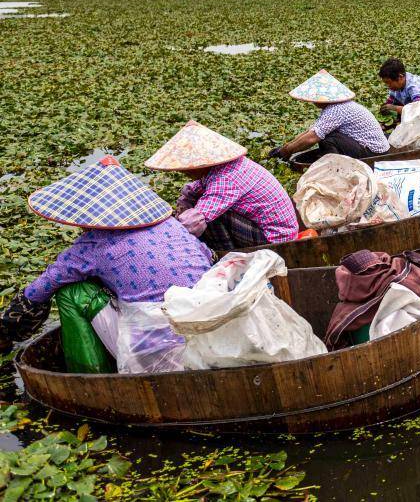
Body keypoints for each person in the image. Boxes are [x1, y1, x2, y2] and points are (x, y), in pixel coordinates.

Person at [0, 157, 213, 370]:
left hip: (155, 353)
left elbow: (39, 290)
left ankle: (90, 377)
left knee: (72, 292)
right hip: (211, 332)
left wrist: (6, 332)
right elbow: (207, 256)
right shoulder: (172, 226)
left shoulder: (93, 244)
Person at [146, 120, 299, 251]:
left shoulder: (225, 179)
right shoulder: (223, 168)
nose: (184, 172)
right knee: (201, 203)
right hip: (269, 230)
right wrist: (180, 211)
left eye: (187, 168)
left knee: (209, 216)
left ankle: (223, 254)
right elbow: (192, 190)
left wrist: (167, 240)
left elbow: (195, 220)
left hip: (277, 241)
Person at [270, 70, 389, 162]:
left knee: (328, 140)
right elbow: (311, 131)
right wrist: (286, 147)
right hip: (369, 147)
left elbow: (312, 138)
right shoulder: (334, 108)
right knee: (324, 134)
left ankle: (335, 169)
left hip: (374, 152)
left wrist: (288, 151)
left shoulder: (337, 109)